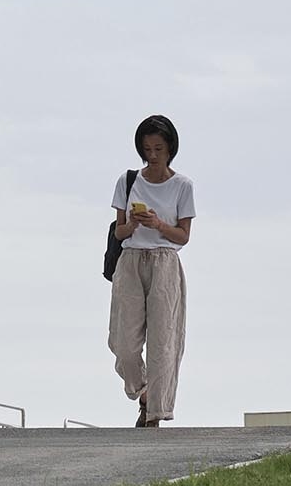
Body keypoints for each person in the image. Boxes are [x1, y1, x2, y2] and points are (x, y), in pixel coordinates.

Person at [108, 114, 195, 427]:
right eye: (147, 149)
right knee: (124, 345)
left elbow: (183, 237)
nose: (153, 155)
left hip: (165, 264)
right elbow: (118, 232)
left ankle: (154, 414)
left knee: (163, 343)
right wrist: (132, 225)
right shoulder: (128, 181)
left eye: (159, 148)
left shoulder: (182, 186)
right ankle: (144, 393)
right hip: (130, 261)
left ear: (170, 148)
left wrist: (158, 224)